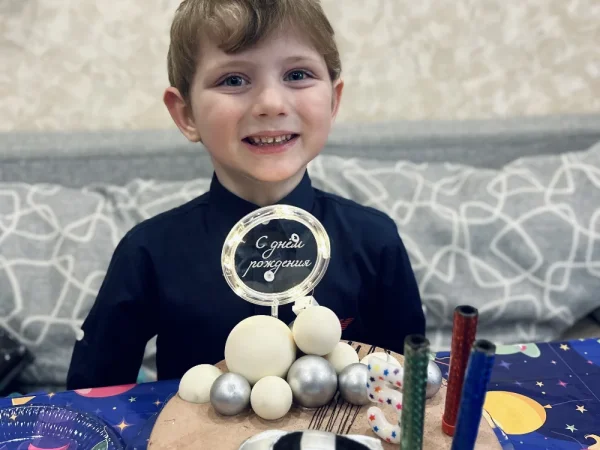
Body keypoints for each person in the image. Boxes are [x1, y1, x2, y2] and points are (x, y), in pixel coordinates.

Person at [66, 0, 425, 391]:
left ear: (333, 100)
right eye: (233, 80)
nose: (271, 104)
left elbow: (410, 391)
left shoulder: (374, 240)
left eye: (298, 74)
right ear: (186, 114)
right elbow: (89, 397)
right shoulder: (148, 252)